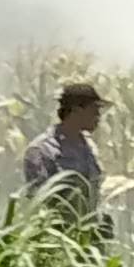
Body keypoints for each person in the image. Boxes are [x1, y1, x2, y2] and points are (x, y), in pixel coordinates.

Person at [21, 81, 109, 228]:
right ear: (76, 110)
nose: (98, 116)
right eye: (94, 110)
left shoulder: (88, 146)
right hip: (59, 239)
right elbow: (39, 202)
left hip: (88, 236)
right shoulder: (42, 150)